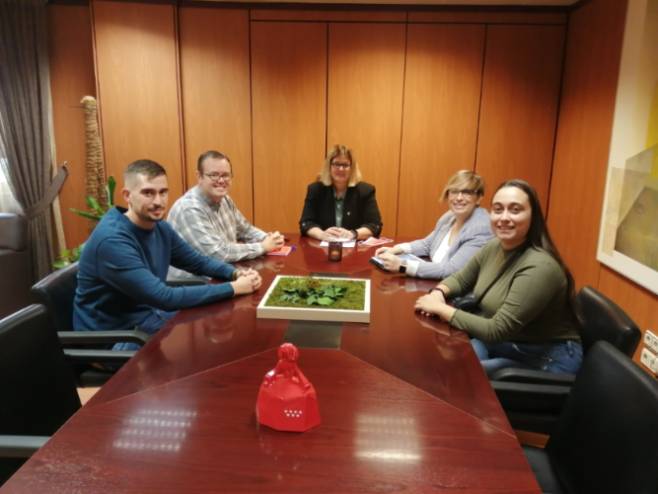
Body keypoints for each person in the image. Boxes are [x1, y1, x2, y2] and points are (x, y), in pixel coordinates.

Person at [73, 159, 262, 349]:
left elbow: (198, 262)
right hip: (115, 340)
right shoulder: (112, 241)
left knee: (224, 331)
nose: (158, 201)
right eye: (148, 193)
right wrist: (234, 288)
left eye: (163, 192)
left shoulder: (159, 227)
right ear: (127, 195)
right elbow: (163, 297)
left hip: (146, 319)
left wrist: (234, 273)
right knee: (206, 353)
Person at [414, 179, 582, 376]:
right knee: (442, 360)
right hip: (508, 342)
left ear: (533, 216)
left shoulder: (540, 267)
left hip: (543, 356)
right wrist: (439, 293)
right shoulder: (495, 246)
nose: (504, 217)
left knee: (459, 373)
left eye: (515, 210)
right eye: (498, 209)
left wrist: (440, 309)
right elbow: (460, 279)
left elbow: (497, 330)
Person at [168, 150, 283, 279]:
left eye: (226, 175)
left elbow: (245, 230)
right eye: (214, 175)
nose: (221, 180)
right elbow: (218, 254)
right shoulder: (189, 208)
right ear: (199, 176)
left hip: (222, 274)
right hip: (194, 284)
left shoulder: (225, 199)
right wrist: (262, 247)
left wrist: (269, 238)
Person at [375, 170, 492, 278]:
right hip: (431, 281)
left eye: (467, 192)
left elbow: (451, 270)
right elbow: (427, 244)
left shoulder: (481, 229)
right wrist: (397, 249)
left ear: (479, 198)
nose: (459, 198)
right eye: (454, 191)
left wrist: (402, 266)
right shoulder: (450, 216)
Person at [299, 145, 382, 241]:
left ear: (352, 168)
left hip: (355, 247)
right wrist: (321, 235)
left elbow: (375, 225)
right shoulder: (316, 190)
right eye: (336, 164)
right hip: (323, 246)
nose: (341, 169)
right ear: (329, 166)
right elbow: (306, 223)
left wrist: (353, 234)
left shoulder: (365, 191)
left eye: (345, 165)